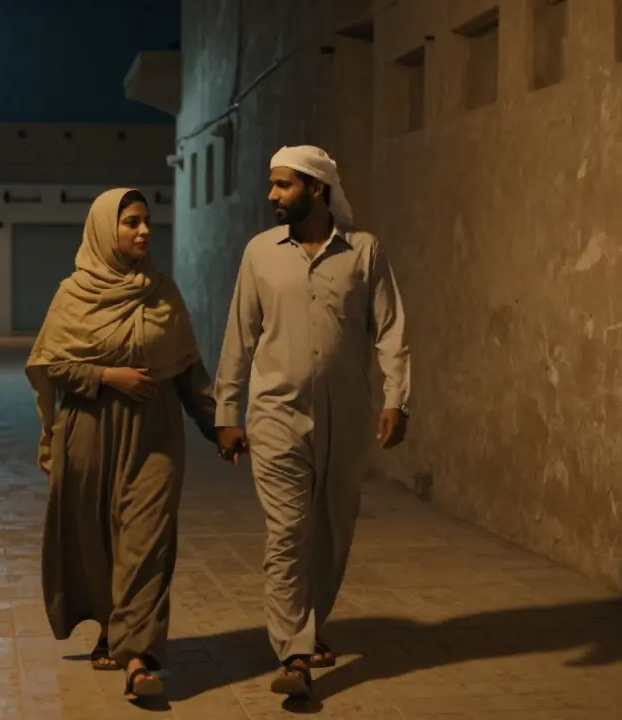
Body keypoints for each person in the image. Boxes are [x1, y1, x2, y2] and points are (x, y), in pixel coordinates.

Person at [213, 145, 412, 697]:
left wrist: (398, 399)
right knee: (287, 533)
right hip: (276, 414)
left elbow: (390, 330)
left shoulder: (364, 252)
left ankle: (312, 625)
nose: (271, 196)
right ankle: (295, 655)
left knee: (331, 528)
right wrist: (226, 411)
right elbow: (240, 335)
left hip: (347, 416)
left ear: (317, 190)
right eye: (272, 185)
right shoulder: (260, 253)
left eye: (282, 185)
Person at [26, 188, 217, 699]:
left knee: (146, 542)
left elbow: (187, 371)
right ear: (104, 230)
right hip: (89, 429)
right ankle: (113, 628)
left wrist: (218, 424)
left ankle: (140, 658)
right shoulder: (74, 294)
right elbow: (51, 365)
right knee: (96, 541)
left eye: (147, 221)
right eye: (130, 222)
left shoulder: (162, 292)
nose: (143, 231)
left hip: (154, 432)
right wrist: (109, 375)